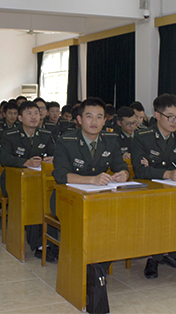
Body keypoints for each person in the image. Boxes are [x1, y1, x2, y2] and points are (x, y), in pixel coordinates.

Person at [51, 97, 129, 280]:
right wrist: (92, 180)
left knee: (118, 221)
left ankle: (96, 268)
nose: (94, 122)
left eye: (99, 117)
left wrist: (123, 174)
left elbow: (121, 165)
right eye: (89, 116)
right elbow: (61, 176)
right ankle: (91, 269)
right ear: (79, 119)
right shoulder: (66, 140)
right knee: (93, 223)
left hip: (99, 198)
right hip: (67, 199)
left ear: (105, 120)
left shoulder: (111, 139)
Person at [131, 94, 176, 278]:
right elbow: (141, 171)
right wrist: (167, 174)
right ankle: (153, 257)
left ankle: (171, 253)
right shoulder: (142, 136)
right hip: (148, 190)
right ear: (157, 115)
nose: (175, 122)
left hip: (175, 187)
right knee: (156, 214)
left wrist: (171, 171)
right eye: (170, 117)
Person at [0, 101, 55, 260]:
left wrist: (52, 159)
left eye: (36, 113)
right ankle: (39, 244)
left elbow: (56, 153)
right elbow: (4, 159)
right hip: (13, 182)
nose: (34, 117)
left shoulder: (45, 134)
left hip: (39, 181)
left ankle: (51, 241)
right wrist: (25, 162)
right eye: (29, 113)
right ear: (20, 118)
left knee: (48, 199)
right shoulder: (9, 135)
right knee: (32, 201)